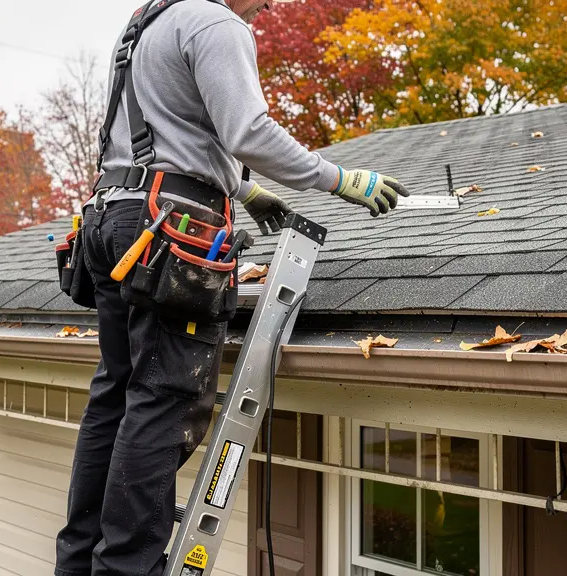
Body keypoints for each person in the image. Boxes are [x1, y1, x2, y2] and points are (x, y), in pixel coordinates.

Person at [54, 1, 410, 575]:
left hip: (111, 215)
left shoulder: (151, 20)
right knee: (162, 399)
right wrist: (342, 179)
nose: (271, 6)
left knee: (115, 395)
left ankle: (79, 561)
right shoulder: (217, 23)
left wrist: (243, 192)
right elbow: (247, 130)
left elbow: (170, 126)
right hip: (167, 227)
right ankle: (126, 567)